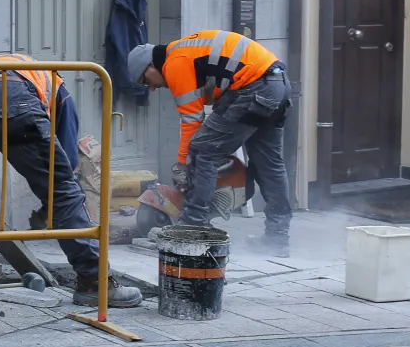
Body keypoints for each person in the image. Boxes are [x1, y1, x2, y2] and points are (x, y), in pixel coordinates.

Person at [0, 53, 142, 307]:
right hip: (12, 97)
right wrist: (57, 199)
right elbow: (67, 158)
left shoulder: (18, 68)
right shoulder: (56, 84)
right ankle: (94, 282)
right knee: (62, 191)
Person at [126, 31, 293, 257]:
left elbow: (192, 121)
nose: (153, 88)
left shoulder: (174, 63)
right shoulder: (186, 51)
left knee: (203, 151)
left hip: (254, 87)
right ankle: (278, 238)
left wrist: (182, 165)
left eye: (146, 82)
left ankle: (192, 226)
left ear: (151, 67)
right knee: (269, 163)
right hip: (277, 84)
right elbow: (219, 101)